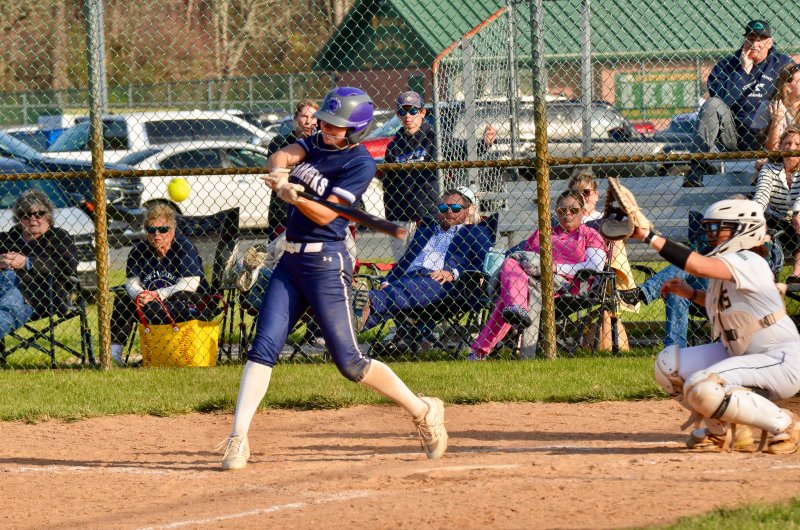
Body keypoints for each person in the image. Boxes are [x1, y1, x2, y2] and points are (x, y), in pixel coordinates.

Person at [218, 87, 448, 471]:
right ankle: (238, 438)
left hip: (326, 265)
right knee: (264, 347)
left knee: (350, 363)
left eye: (336, 125)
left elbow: (327, 216)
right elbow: (284, 153)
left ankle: (423, 410)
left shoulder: (359, 163)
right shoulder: (315, 144)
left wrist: (295, 197)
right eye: (324, 120)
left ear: (355, 130)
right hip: (289, 263)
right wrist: (279, 172)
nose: (326, 128)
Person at [628, 198, 800, 454]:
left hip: (779, 359)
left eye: (719, 228)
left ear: (744, 230)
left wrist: (647, 235)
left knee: (703, 385)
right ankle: (725, 431)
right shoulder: (730, 269)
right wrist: (689, 294)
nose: (711, 235)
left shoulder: (750, 261)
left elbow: (697, 264)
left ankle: (784, 425)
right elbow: (726, 307)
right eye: (709, 228)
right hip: (742, 353)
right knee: (669, 365)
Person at [469, 190, 607, 359]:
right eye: (562, 211)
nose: (568, 214)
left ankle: (483, 347)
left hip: (568, 285)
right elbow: (525, 265)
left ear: (583, 211)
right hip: (532, 282)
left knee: (512, 272)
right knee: (515, 266)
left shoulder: (590, 234)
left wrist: (553, 268)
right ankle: (516, 310)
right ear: (556, 212)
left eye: (573, 210)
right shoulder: (543, 234)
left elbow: (595, 266)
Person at [353, 186, 492, 336]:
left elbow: (482, 264)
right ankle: (344, 324)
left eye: (456, 207)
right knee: (384, 303)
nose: (449, 211)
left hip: (442, 283)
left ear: (469, 210)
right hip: (406, 279)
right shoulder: (426, 231)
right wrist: (387, 280)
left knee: (413, 288)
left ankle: (367, 300)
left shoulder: (477, 232)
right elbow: (405, 261)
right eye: (444, 207)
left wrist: (453, 273)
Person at [382, 90, 496, 259]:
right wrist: (391, 217)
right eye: (402, 111)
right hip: (402, 215)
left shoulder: (435, 138)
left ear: (422, 112)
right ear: (398, 115)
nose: (408, 116)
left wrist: (484, 143)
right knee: (402, 263)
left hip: (429, 213)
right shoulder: (394, 146)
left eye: (413, 110)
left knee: (427, 261)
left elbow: (462, 150)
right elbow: (389, 184)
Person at [683, 20, 793, 187]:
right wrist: (742, 73)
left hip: (767, 134)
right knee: (711, 104)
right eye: (750, 39)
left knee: (771, 106)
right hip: (732, 135)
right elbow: (721, 99)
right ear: (744, 41)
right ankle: (696, 170)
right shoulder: (727, 65)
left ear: (770, 42)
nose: (755, 44)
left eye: (760, 40)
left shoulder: (782, 63)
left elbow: (796, 88)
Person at [110, 204, 213, 365]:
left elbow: (190, 283)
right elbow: (131, 283)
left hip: (187, 303)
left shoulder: (183, 247)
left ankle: (170, 353)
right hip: (149, 304)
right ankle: (114, 358)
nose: (157, 234)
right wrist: (140, 295)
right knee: (123, 299)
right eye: (151, 230)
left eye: (163, 229)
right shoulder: (138, 251)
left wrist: (158, 295)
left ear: (172, 230)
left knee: (180, 297)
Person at [0, 189, 78, 339]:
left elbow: (68, 263)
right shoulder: (9, 238)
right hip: (3, 286)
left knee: (8, 308)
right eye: (25, 215)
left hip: (37, 293)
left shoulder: (58, 237)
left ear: (48, 216)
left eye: (38, 214)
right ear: (19, 218)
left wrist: (26, 262)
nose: (32, 219)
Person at [265, 98, 319, 241]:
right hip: (283, 210)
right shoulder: (280, 142)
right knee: (278, 253)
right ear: (296, 117)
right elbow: (277, 169)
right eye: (304, 116)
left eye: (313, 117)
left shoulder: (319, 145)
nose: (308, 122)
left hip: (309, 207)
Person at [753, 125, 800, 281]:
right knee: (765, 227)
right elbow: (762, 196)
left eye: (797, 145)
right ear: (780, 146)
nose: (791, 148)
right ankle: (768, 275)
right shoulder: (769, 169)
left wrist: (797, 212)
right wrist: (756, 216)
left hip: (796, 221)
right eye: (787, 144)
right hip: (774, 219)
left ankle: (797, 273)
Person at [754, 63, 800, 151]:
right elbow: (772, 150)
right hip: (776, 159)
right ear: (788, 87)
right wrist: (777, 120)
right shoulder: (767, 106)